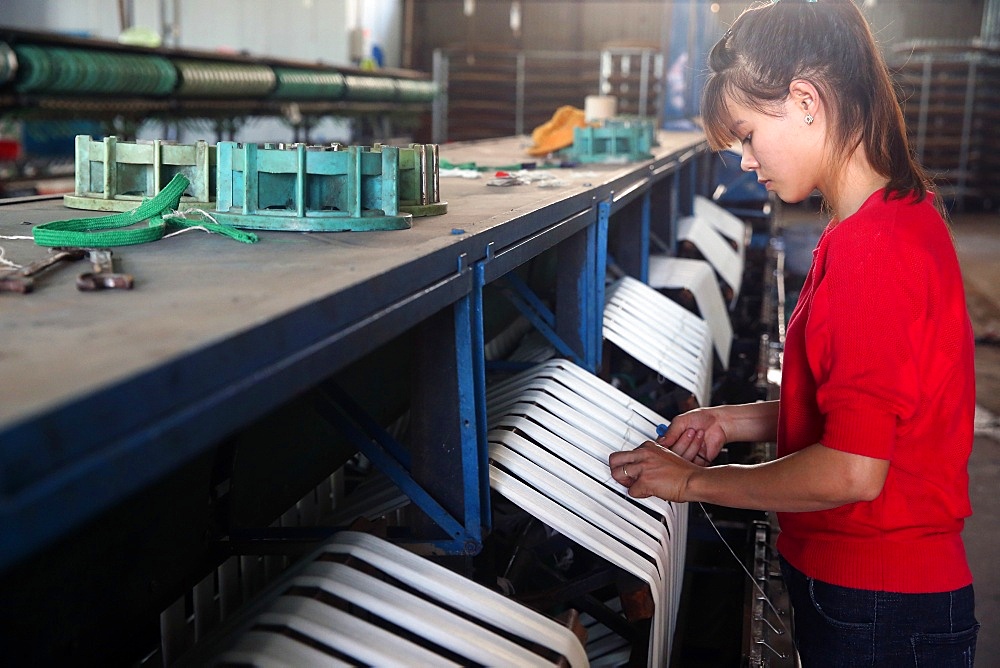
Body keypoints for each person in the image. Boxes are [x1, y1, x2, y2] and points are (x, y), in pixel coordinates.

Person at [608, 0, 980, 665]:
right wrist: (733, 420)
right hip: (882, 597)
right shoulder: (892, 219)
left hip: (878, 609)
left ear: (805, 100)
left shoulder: (872, 253)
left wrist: (691, 485)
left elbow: (851, 471)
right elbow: (867, 411)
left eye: (749, 134)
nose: (746, 162)